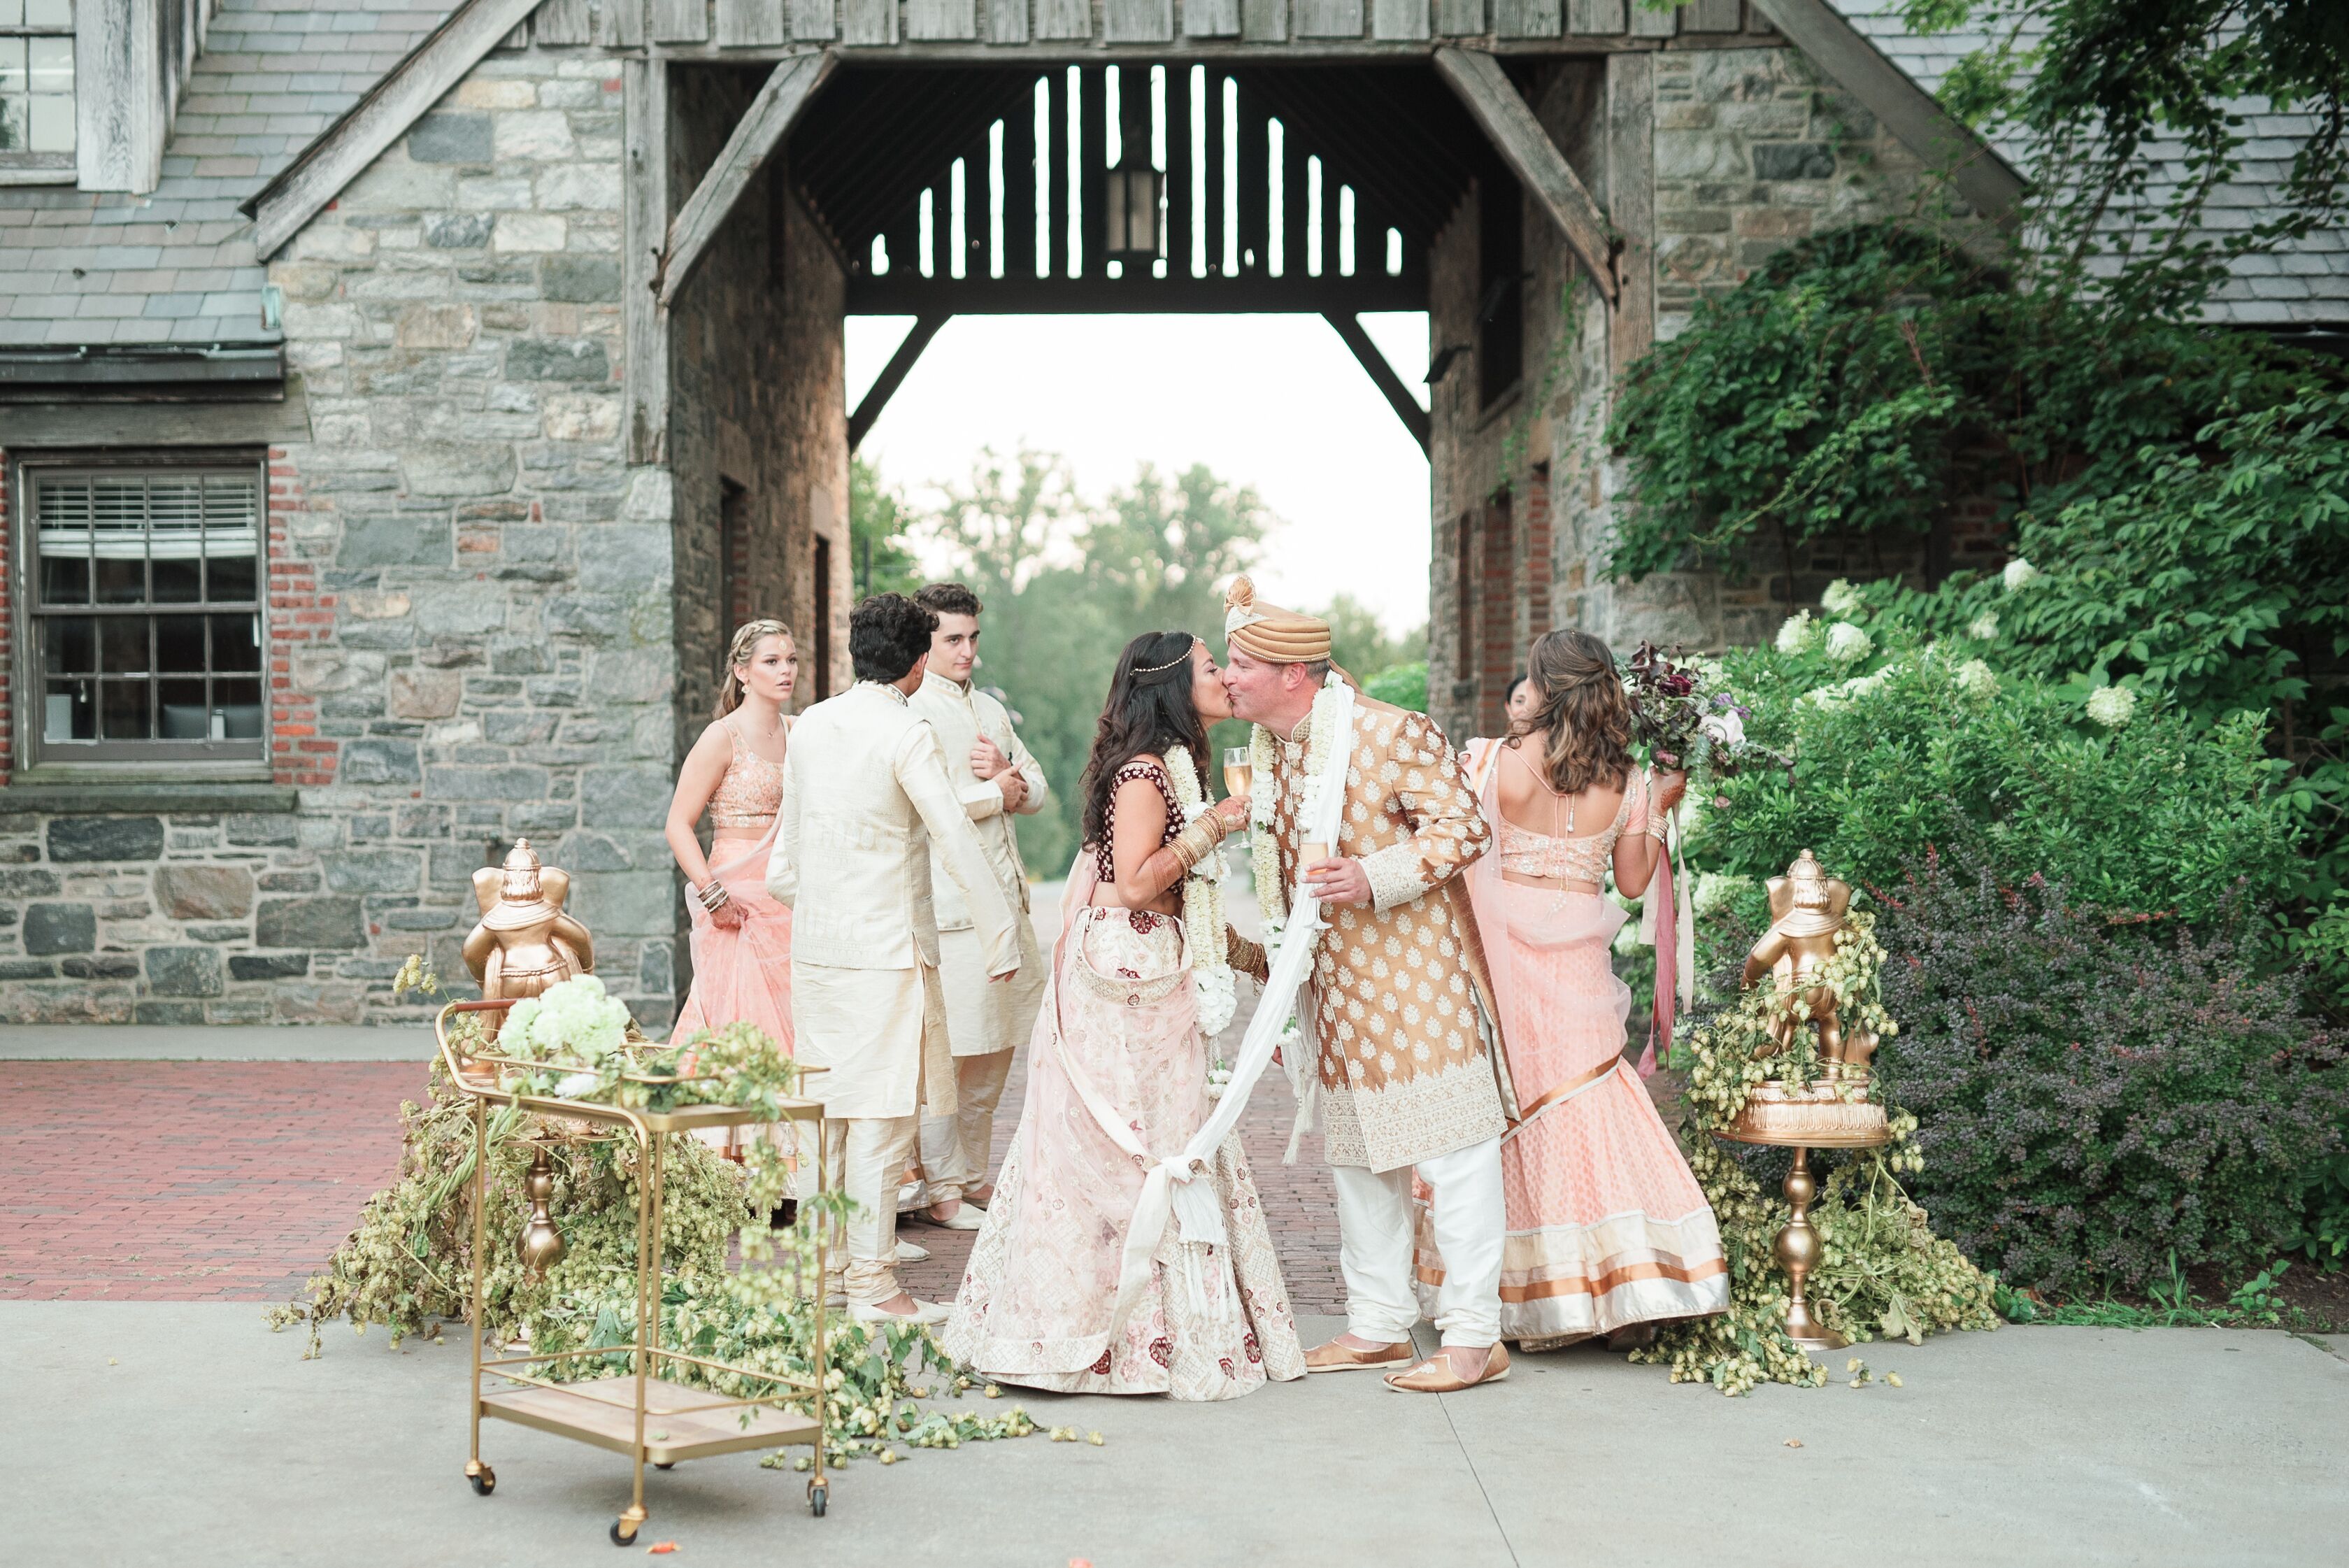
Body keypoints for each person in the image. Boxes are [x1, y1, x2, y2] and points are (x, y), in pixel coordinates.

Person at [944, 632, 1306, 1399]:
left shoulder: (1176, 766)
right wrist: (1222, 822)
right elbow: (1141, 887)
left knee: (1165, 1137)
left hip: (1154, 964)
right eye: (1212, 668)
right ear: (1173, 686)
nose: (1225, 678)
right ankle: (1092, 1335)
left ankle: (1153, 1335)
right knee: (1127, 1149)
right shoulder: (1145, 772)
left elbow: (1184, 902)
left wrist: (1250, 957)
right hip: (1124, 972)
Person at [1219, 577, 1515, 1395]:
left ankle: (1472, 1336)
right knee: (1356, 1160)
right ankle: (1379, 1324)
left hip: (1418, 980)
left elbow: (1463, 828)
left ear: (1293, 674)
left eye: (1240, 664)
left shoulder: (1390, 731)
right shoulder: (1270, 754)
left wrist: (1372, 873)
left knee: (1453, 1154)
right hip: (1334, 994)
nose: (1227, 678)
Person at [1451, 629, 1729, 1349]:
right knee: (1588, 1100)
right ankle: (1620, 1281)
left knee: (1514, 1110)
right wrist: (1665, 802)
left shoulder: (1490, 760)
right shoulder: (1629, 779)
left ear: (1546, 689)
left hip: (1502, 956)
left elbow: (1450, 855)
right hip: (1576, 951)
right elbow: (1633, 883)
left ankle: (1526, 1294)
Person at [768, 594, 1022, 1325]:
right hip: (885, 953)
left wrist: (823, 907)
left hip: (817, 949)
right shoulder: (904, 729)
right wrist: (1000, 936)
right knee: (879, 1117)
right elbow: (952, 833)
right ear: (915, 663)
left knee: (826, 1113)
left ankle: (822, 1272)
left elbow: (784, 863)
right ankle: (875, 1287)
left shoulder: (811, 724)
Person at [904, 583, 1049, 1231]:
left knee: (996, 1054)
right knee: (952, 1053)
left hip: (1008, 902)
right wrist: (994, 789)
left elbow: (1038, 786)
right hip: (954, 908)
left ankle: (967, 1177)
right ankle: (938, 1188)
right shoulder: (912, 713)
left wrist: (1007, 781)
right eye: (952, 640)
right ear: (925, 644)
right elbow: (922, 808)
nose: (967, 652)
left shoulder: (989, 709)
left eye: (972, 639)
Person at [664, 620, 799, 1165]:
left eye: (790, 660)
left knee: (794, 1021)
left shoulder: (801, 732)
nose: (785, 670)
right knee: (735, 1018)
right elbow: (678, 823)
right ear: (742, 672)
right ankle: (729, 1161)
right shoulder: (721, 737)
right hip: (734, 901)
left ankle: (793, 1166)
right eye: (771, 661)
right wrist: (712, 895)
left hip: (787, 895)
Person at [1459, 670, 1538, 796]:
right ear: (1508, 707)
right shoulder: (1486, 755)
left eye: (1533, 702)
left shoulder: (1553, 757)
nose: (1526, 709)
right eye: (1519, 701)